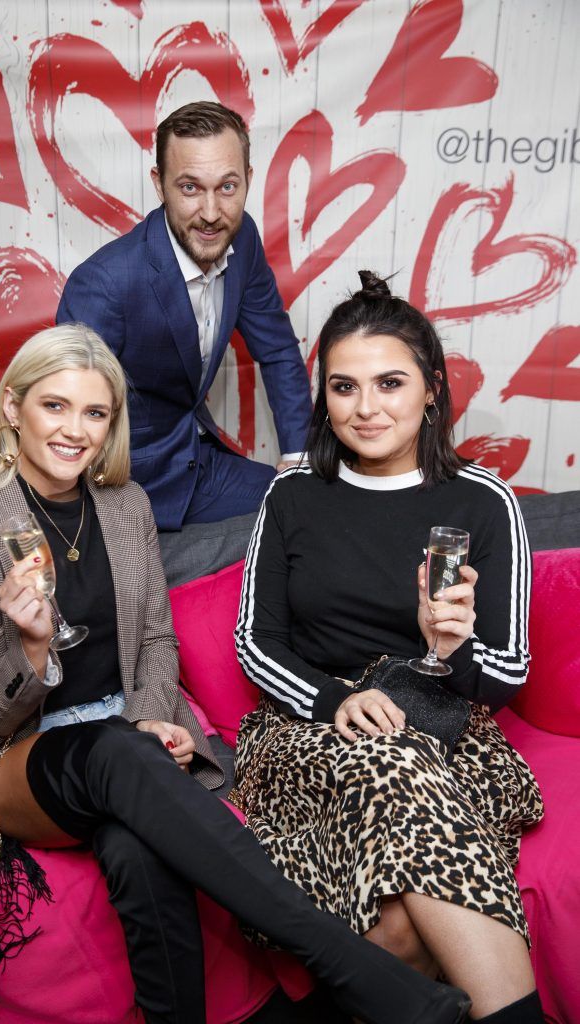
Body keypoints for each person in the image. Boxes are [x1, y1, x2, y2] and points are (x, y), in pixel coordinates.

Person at [0, 323, 473, 1024]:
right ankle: (341, 961)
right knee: (112, 749)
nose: (74, 430)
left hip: (124, 741)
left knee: (139, 849)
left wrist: (149, 718)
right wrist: (29, 648)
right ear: (14, 407)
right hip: (15, 763)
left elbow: (152, 640)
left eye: (95, 412)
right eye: (54, 406)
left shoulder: (123, 506)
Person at [232, 272, 546, 1024]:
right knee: (390, 754)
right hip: (309, 733)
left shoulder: (482, 500)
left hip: (443, 729)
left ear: (431, 389)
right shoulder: (295, 493)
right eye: (343, 387)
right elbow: (255, 641)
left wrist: (453, 647)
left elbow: (507, 670)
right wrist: (340, 698)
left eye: (389, 383)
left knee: (404, 925)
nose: (365, 408)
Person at [56, 100, 312, 531]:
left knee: (296, 503)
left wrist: (297, 457)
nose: (211, 214)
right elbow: (60, 412)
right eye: (190, 188)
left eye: (227, 187)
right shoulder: (106, 282)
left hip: (191, 457)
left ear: (248, 179)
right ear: (160, 185)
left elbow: (278, 349)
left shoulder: (243, 237)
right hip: (119, 482)